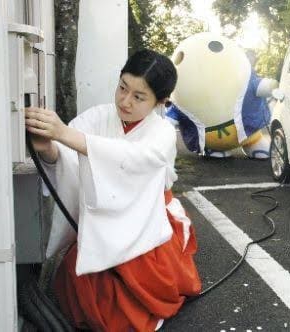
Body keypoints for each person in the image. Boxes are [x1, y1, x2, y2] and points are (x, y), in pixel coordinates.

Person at [25, 49, 202, 331]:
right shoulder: (97, 117)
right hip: (100, 221)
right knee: (88, 289)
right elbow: (68, 160)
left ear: (161, 102)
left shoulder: (163, 132)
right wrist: (49, 149)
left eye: (138, 96)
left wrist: (65, 135)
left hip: (144, 219)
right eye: (122, 87)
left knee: (128, 304)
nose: (124, 101)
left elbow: (134, 159)